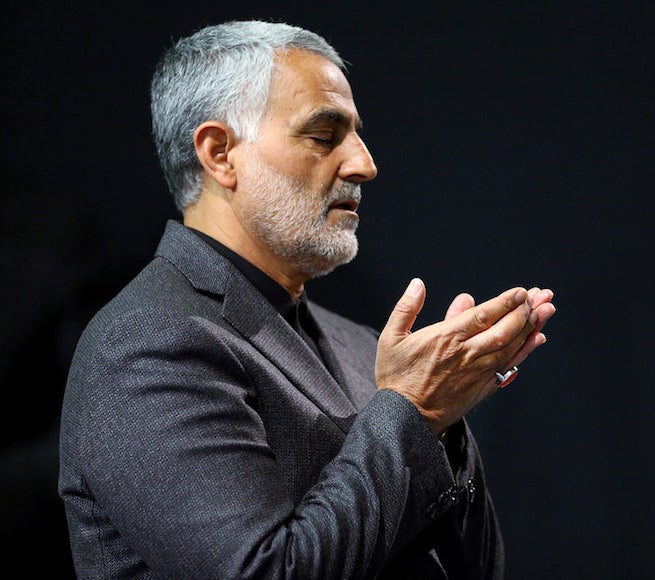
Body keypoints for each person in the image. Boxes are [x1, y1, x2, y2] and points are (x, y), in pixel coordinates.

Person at [58, 19, 556, 579]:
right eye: (324, 136)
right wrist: (415, 410)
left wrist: (443, 415)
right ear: (220, 153)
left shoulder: (360, 343)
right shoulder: (146, 343)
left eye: (357, 135)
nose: (364, 164)